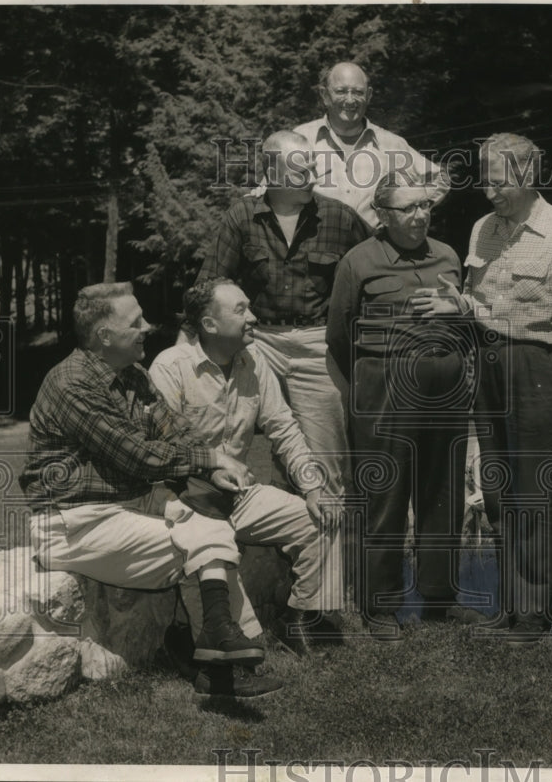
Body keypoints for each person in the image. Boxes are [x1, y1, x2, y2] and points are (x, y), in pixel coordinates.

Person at [19, 282, 280, 699]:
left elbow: (174, 430)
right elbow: (137, 455)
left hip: (122, 511)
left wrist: (212, 468)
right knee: (201, 543)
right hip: (71, 523)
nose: (148, 326)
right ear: (105, 335)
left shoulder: (131, 374)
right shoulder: (72, 382)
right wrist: (212, 461)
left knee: (207, 525)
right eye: (135, 322)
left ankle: (218, 648)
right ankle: (214, 650)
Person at [414, 132, 552, 644]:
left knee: (532, 490)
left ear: (526, 176)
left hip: (541, 366)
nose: (487, 189)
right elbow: (477, 298)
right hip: (488, 361)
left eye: (497, 179)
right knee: (500, 489)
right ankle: (509, 604)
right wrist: (460, 306)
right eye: (483, 177)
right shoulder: (483, 228)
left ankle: (532, 612)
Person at [197, 129, 370, 610]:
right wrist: (188, 350)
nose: (311, 175)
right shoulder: (241, 217)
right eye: (299, 169)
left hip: (319, 343)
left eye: (312, 165)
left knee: (329, 468)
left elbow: (377, 266)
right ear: (269, 173)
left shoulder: (338, 216)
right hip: (259, 340)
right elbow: (211, 283)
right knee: (234, 455)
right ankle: (275, 583)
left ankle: (337, 593)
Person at [151, 278, 344, 656]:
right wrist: (208, 473)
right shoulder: (170, 368)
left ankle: (300, 617)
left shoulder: (254, 362)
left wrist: (313, 488)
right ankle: (206, 636)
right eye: (241, 310)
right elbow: (163, 448)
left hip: (240, 495)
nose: (253, 317)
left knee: (322, 516)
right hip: (189, 500)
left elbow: (284, 428)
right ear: (208, 325)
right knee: (244, 643)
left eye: (249, 307)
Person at [327, 170, 475, 640]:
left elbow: (467, 323)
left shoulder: (448, 256)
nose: (420, 216)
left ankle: (439, 597)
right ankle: (380, 604)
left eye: (426, 206)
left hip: (445, 394)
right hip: (385, 393)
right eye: (408, 208)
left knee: (442, 493)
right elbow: (339, 334)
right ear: (384, 215)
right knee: (385, 497)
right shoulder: (359, 261)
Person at [294, 61, 446, 230]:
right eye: (341, 91)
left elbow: (439, 180)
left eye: (358, 92)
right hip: (318, 248)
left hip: (374, 251)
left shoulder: (391, 143)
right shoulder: (301, 138)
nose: (350, 100)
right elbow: (271, 189)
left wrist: (409, 211)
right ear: (324, 95)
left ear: (369, 95)